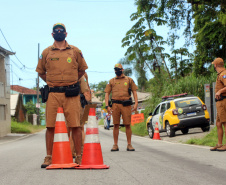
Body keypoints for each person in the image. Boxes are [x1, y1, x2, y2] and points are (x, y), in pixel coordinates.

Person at [36, 23, 88, 167]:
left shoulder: (75, 51)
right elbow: (41, 72)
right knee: (50, 126)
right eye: (56, 31)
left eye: (61, 31)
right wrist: (53, 82)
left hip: (71, 94)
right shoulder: (46, 53)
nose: (59, 32)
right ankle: (49, 157)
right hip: (53, 94)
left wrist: (70, 81)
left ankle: (78, 156)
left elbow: (82, 70)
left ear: (66, 33)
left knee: (76, 126)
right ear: (52, 34)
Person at [104, 63, 138, 151]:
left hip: (126, 104)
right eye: (115, 69)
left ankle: (129, 144)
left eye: (118, 69)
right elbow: (107, 94)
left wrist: (136, 103)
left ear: (122, 70)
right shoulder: (111, 81)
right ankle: (115, 145)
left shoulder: (129, 80)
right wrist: (107, 106)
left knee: (127, 124)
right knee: (115, 125)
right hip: (115, 105)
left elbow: (134, 92)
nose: (117, 71)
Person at [69, 73, 91, 159]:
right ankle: (79, 151)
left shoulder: (82, 74)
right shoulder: (84, 74)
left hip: (80, 102)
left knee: (77, 127)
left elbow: (86, 91)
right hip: (84, 103)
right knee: (80, 127)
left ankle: (75, 152)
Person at [210, 58, 226, 151]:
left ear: (215, 65)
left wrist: (220, 91)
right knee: (218, 123)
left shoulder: (224, 74)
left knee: (225, 123)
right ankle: (220, 144)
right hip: (219, 103)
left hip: (223, 102)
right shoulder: (220, 74)